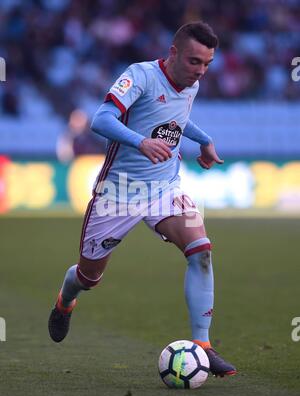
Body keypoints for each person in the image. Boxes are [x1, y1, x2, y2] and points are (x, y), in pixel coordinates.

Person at [48, 21, 236, 377]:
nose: (201, 71)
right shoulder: (141, 76)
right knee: (89, 278)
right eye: (195, 61)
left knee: (202, 251)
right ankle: (65, 300)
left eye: (207, 63)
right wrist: (140, 141)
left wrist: (204, 139)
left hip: (165, 188)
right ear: (174, 52)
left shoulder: (189, 84)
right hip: (118, 193)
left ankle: (203, 346)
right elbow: (101, 119)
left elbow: (177, 119)